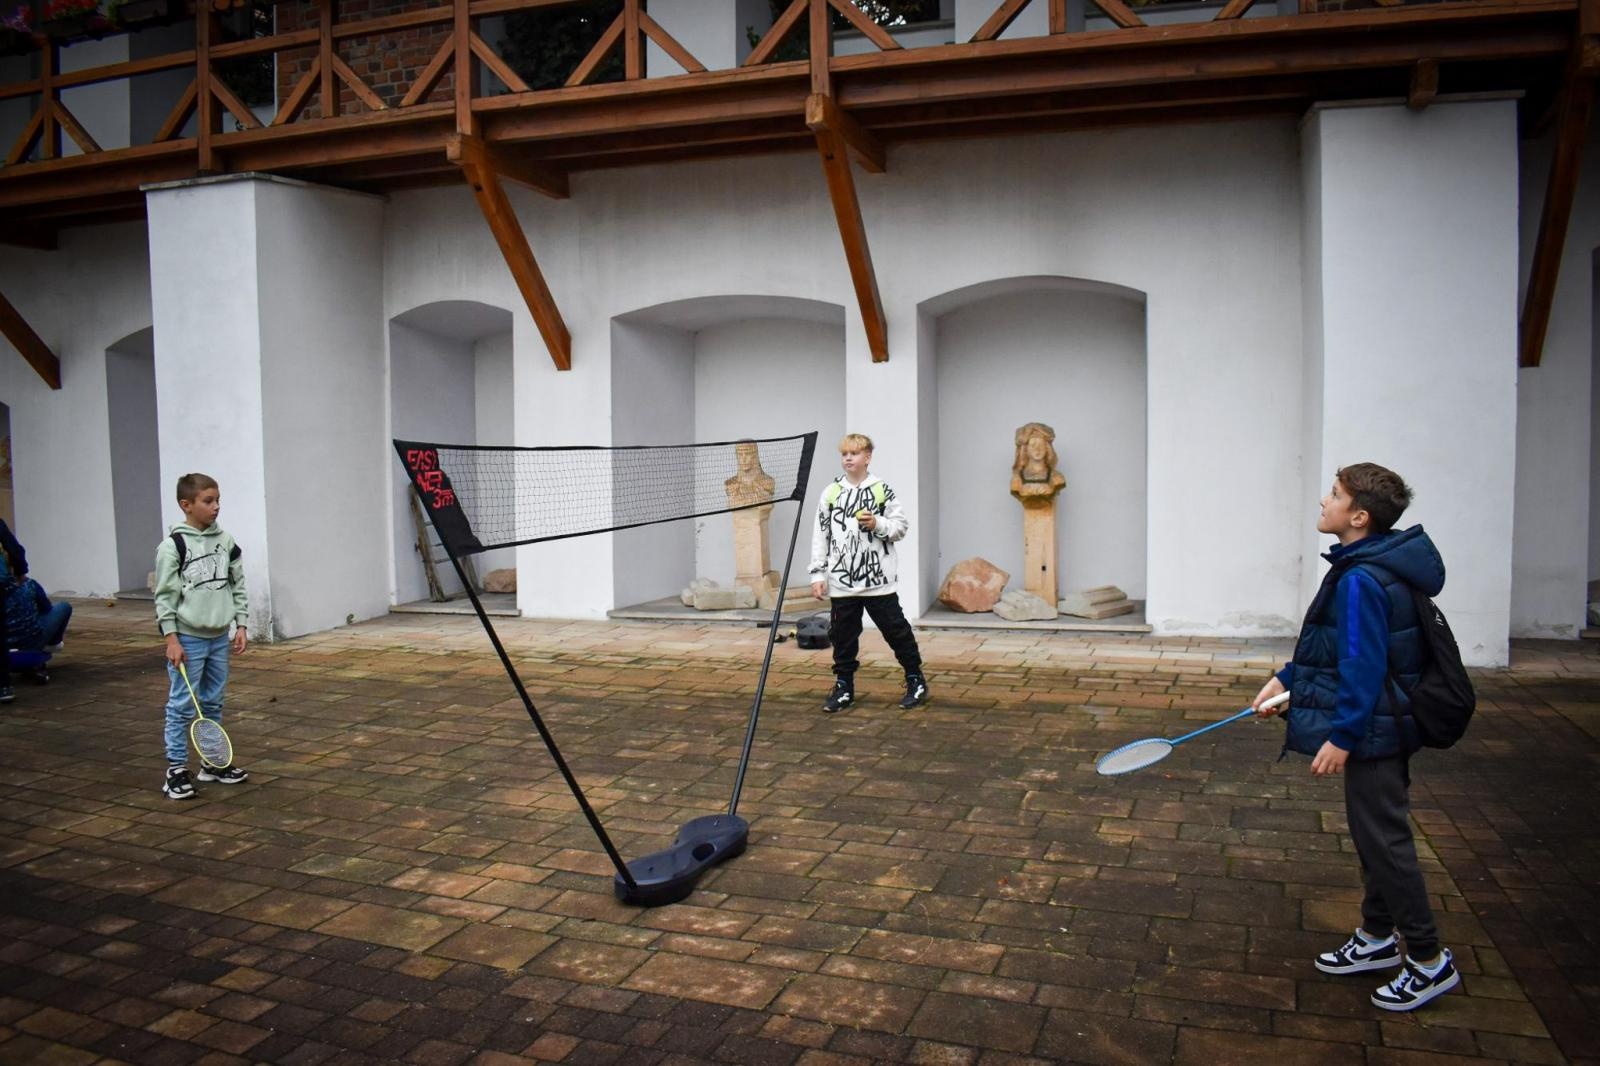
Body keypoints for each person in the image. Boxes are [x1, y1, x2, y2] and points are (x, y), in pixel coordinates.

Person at [1251, 463, 1458, 1013]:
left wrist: (1342, 736)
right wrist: (1287, 679)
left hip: (1376, 731)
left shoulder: (1362, 577)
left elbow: (1364, 667)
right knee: (1374, 837)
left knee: (1386, 844)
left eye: (1335, 495)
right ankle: (1375, 936)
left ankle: (1429, 961)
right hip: (1384, 724)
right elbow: (1337, 648)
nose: (1324, 500)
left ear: (1358, 516)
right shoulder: (1365, 563)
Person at [808, 433, 928, 713]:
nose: (848, 458)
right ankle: (844, 686)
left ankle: (915, 678)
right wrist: (817, 574)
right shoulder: (831, 493)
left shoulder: (881, 490)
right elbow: (820, 535)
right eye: (844, 454)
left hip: (878, 583)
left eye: (854, 453)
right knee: (842, 636)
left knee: (896, 631)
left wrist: (877, 523)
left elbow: (900, 527)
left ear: (868, 457)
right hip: (842, 583)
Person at [153, 473, 250, 800]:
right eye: (208, 501)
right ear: (186, 505)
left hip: (218, 637)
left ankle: (212, 762)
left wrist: (241, 624)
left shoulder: (226, 542)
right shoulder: (172, 547)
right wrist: (172, 639)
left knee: (212, 701)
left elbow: (237, 584)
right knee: (182, 704)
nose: (216, 507)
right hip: (189, 639)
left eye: (218, 500)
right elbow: (164, 597)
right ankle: (176, 770)